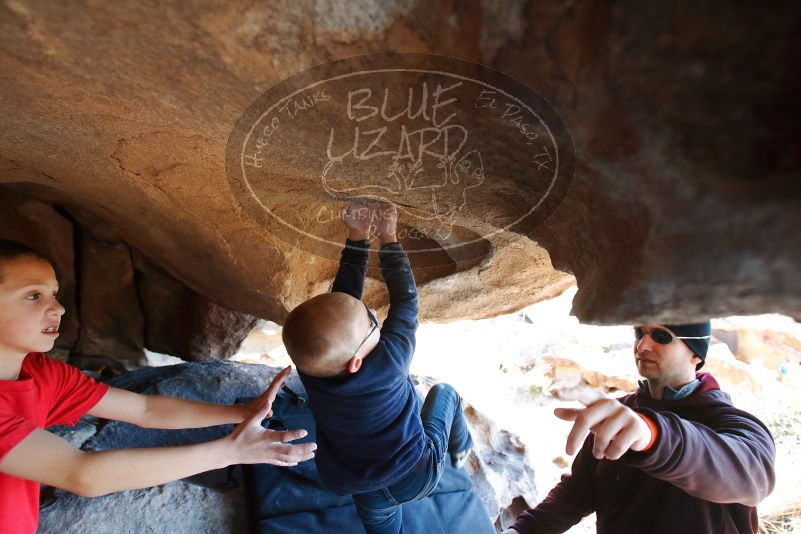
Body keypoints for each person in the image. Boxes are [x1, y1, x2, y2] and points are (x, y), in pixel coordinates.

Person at [0, 239, 317, 534]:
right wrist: (230, 451)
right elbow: (82, 474)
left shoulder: (40, 373)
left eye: (54, 293)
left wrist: (240, 412)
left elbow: (146, 409)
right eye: (33, 295)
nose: (59, 308)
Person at [281, 200, 473, 534]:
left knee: (381, 524)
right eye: (372, 323)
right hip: (419, 472)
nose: (373, 317)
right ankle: (460, 446)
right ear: (356, 362)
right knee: (445, 393)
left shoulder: (312, 372)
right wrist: (388, 237)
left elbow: (343, 301)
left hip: (362, 484)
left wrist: (357, 236)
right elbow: (407, 301)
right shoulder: (391, 360)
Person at [503, 322, 776, 534]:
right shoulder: (619, 413)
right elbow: (580, 491)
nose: (642, 345)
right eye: (639, 332)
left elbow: (751, 476)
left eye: (662, 336)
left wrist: (651, 436)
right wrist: (522, 529)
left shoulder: (734, 425)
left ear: (696, 353)